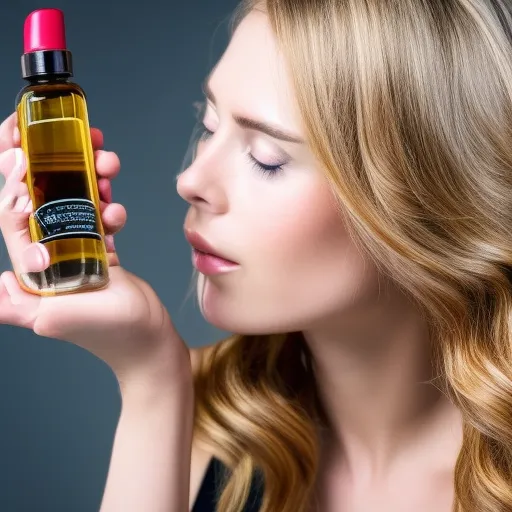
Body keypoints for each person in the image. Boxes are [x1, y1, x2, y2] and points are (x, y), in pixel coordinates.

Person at [1, 0, 511, 510]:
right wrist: (151, 376)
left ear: (423, 196)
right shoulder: (201, 419)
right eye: (209, 124)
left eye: (267, 159)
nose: (189, 181)